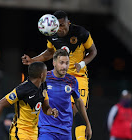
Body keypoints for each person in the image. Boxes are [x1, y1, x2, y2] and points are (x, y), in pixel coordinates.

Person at [22, 10, 97, 140]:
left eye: (62, 25)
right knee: (50, 108)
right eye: (57, 26)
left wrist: (82, 64)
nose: (60, 29)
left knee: (77, 109)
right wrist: (33, 60)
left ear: (68, 22)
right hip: (59, 78)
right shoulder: (52, 35)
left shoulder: (81, 33)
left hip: (78, 78)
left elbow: (93, 51)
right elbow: (49, 53)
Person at [0, 62, 58, 140]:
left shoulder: (43, 86)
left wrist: (51, 111)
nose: (47, 74)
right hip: (20, 132)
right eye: (45, 72)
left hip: (33, 133)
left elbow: (45, 108)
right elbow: (0, 104)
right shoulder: (23, 89)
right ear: (41, 75)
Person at [38, 49, 92, 140]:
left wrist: (88, 124)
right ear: (54, 63)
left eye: (67, 63)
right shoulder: (44, 78)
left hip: (65, 132)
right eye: (61, 63)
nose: (64, 66)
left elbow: (79, 102)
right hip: (47, 131)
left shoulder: (72, 80)